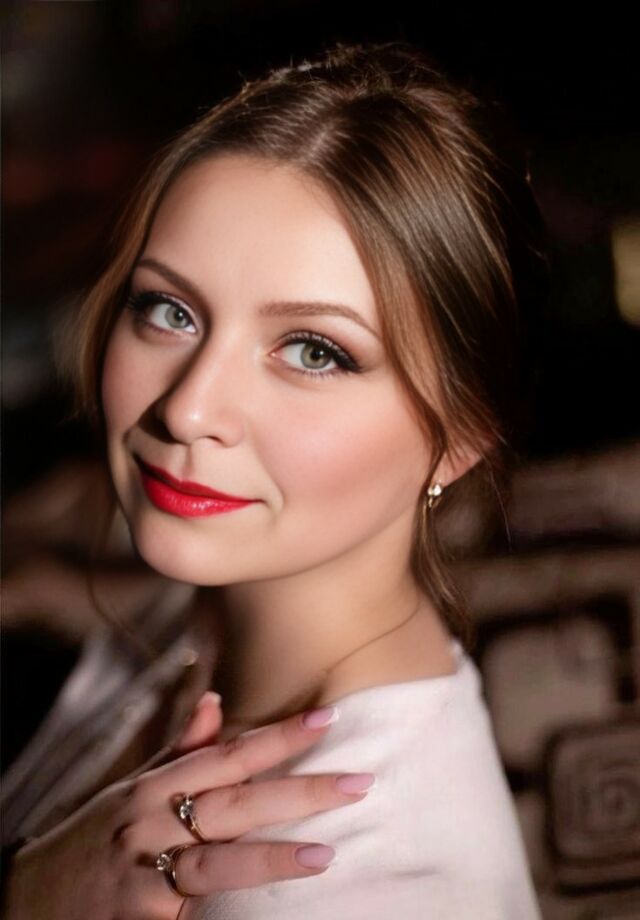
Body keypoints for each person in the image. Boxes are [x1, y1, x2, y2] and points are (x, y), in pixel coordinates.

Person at [3, 39, 547, 918]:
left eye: (313, 352)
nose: (189, 410)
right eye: (169, 310)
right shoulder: (220, 607)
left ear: (461, 438)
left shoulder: (347, 884)